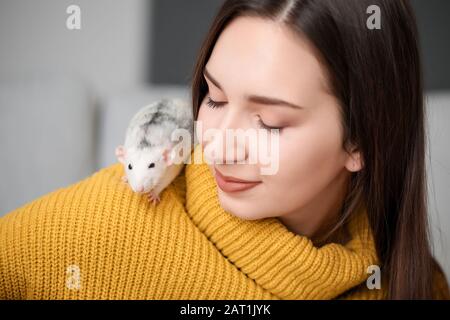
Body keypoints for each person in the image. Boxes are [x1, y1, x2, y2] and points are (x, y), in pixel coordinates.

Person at [1, 0, 449, 300]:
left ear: (362, 140)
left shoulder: (414, 283)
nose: (217, 144)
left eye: (269, 121)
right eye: (213, 98)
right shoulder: (101, 226)